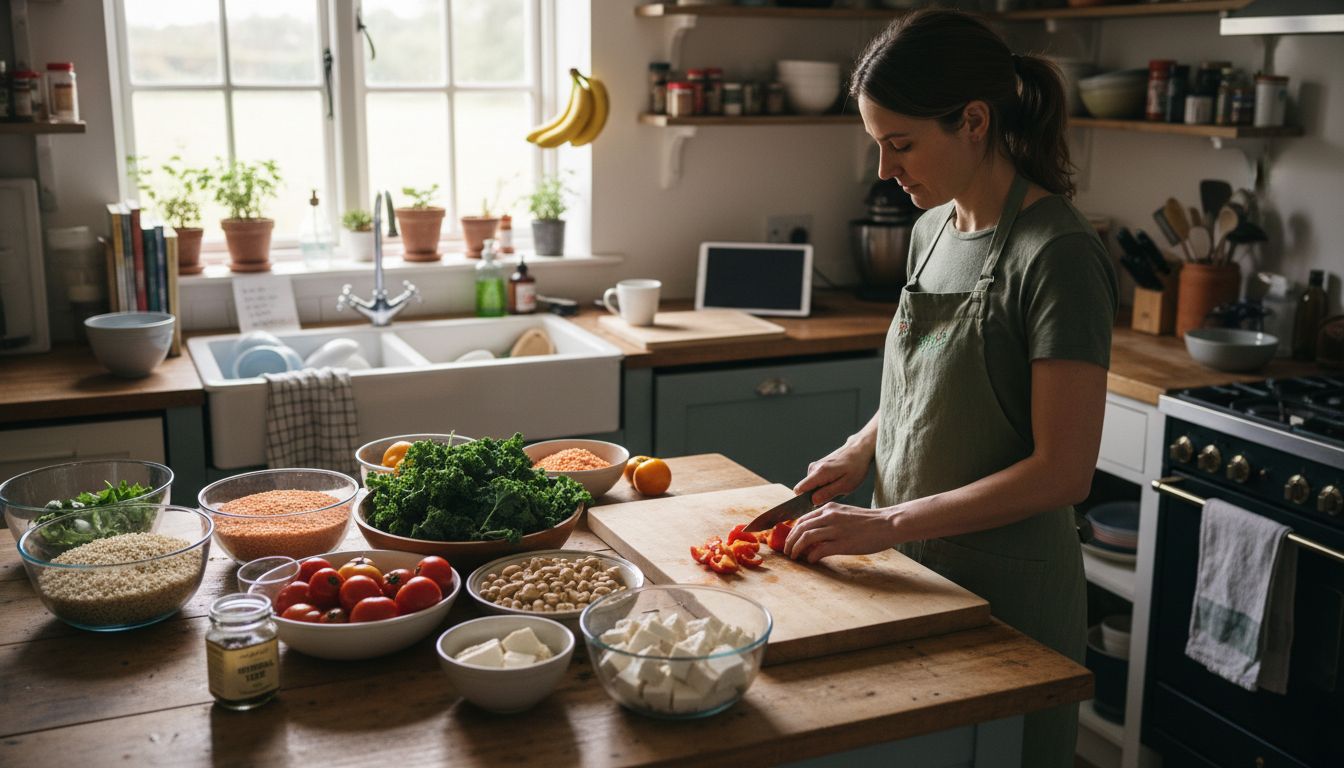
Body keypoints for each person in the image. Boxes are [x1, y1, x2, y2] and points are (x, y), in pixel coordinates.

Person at [783, 10, 1117, 768]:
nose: (883, 170)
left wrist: (889, 522)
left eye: (900, 144)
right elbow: (931, 373)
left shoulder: (1058, 254)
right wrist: (861, 447)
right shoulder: (933, 229)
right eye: (877, 144)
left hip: (1009, 598)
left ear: (973, 121)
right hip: (914, 573)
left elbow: (1064, 472)